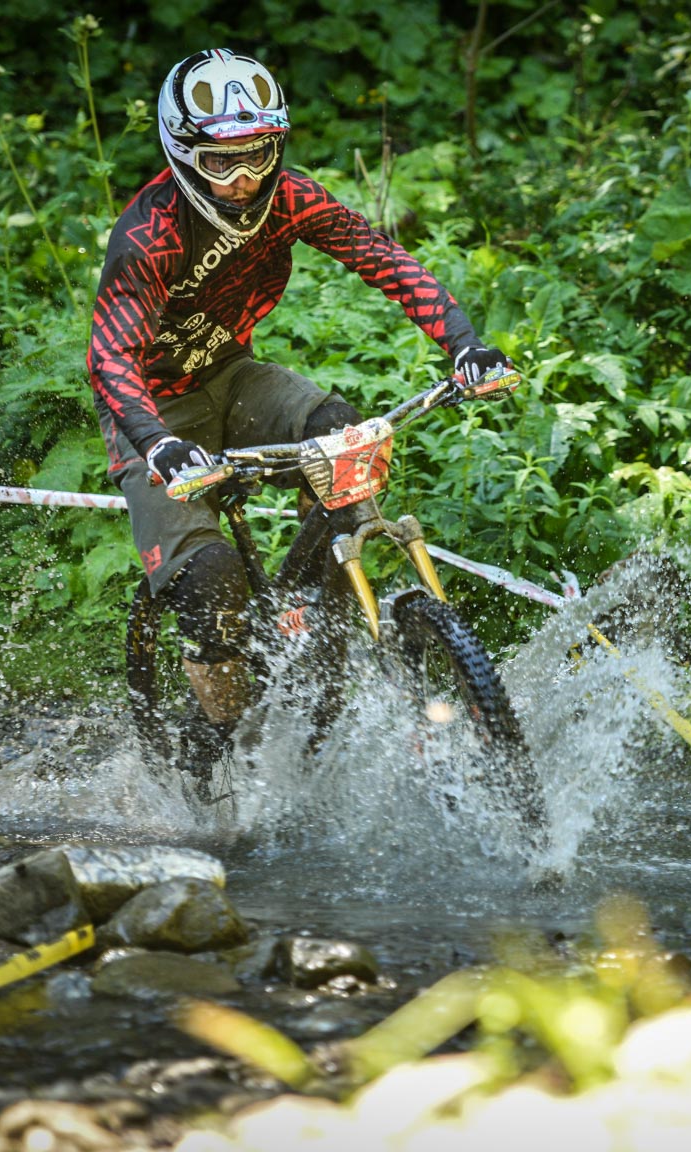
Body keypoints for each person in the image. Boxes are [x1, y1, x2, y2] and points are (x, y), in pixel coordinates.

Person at [87, 48, 512, 765]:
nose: (244, 176)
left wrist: (466, 346)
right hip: (153, 411)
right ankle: (212, 734)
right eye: (221, 162)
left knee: (343, 439)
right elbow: (108, 359)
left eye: (258, 154)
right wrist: (157, 443)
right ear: (184, 154)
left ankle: (315, 635)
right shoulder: (149, 234)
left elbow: (384, 259)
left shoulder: (290, 199)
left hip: (231, 375)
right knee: (211, 577)